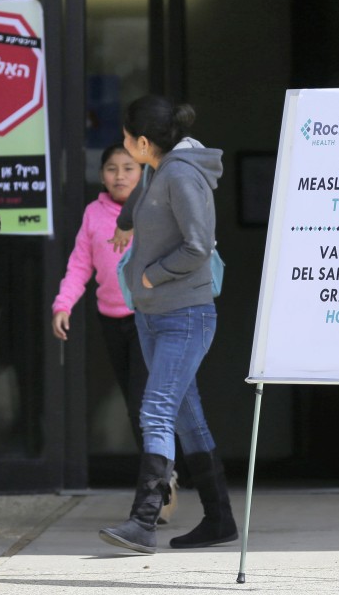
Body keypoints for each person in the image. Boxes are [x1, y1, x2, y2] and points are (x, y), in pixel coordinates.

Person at [99, 95, 237, 554]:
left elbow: (198, 246)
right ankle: (219, 519)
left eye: (125, 137)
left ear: (142, 143)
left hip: (185, 315)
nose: (121, 144)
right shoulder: (159, 168)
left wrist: (150, 274)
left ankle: (143, 521)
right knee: (185, 415)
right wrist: (123, 220)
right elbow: (142, 199)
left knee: (155, 410)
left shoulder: (180, 174)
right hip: (153, 315)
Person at [52, 143, 146, 448]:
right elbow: (80, 265)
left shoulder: (154, 208)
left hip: (149, 319)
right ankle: (162, 473)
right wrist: (63, 305)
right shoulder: (93, 213)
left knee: (141, 402)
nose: (120, 176)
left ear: (143, 173)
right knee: (133, 402)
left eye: (128, 168)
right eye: (112, 169)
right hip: (111, 319)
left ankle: (159, 476)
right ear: (102, 176)